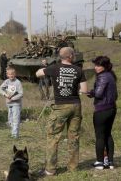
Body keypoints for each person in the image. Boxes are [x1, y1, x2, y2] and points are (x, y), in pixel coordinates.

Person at [36, 47, 87, 175]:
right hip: (76, 105)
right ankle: (73, 168)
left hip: (61, 107)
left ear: (61, 56)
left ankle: (50, 169)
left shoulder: (54, 68)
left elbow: (38, 74)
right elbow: (84, 90)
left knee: (53, 136)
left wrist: (44, 67)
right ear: (70, 56)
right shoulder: (79, 70)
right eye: (74, 54)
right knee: (73, 137)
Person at [87, 56, 117, 170]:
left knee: (100, 136)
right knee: (108, 134)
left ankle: (99, 162)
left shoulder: (102, 76)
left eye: (98, 65)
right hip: (112, 108)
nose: (95, 67)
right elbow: (115, 95)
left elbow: (99, 93)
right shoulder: (111, 76)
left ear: (104, 66)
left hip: (102, 110)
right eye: (95, 65)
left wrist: (90, 92)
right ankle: (110, 162)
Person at [0, 67, 23, 138]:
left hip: (16, 104)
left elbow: (21, 94)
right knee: (10, 121)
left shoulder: (18, 82)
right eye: (9, 74)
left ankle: (15, 136)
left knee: (16, 119)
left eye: (12, 74)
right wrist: (5, 94)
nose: (11, 75)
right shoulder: (6, 81)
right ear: (7, 75)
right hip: (9, 104)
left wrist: (12, 98)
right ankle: (13, 133)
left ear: (15, 74)